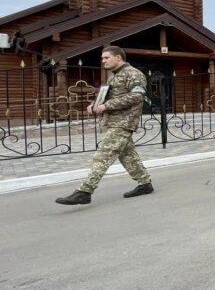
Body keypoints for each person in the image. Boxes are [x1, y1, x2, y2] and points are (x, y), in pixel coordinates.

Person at [56, 46, 153, 205]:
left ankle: (85, 191)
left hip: (124, 122)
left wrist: (107, 106)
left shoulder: (133, 74)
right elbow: (108, 96)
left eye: (106, 58)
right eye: (102, 58)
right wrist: (95, 104)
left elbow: (137, 96)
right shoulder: (113, 76)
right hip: (114, 121)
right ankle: (145, 184)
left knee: (103, 155)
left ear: (118, 58)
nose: (103, 61)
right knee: (127, 155)